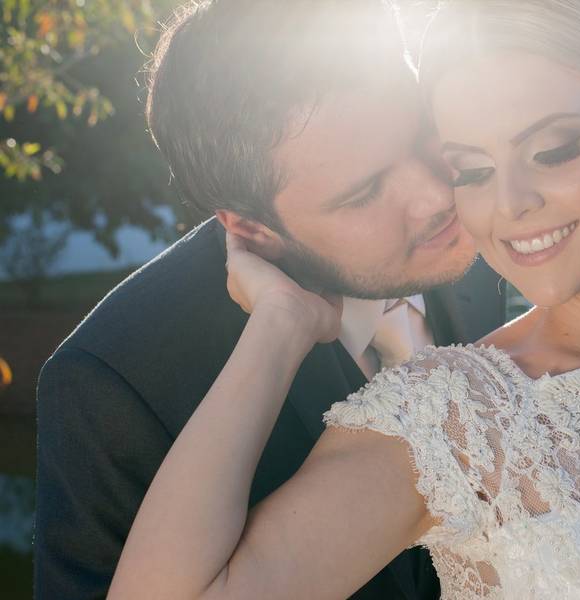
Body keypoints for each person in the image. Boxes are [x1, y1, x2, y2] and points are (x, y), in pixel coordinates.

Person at [109, 1, 580, 598]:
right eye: (470, 168)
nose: (512, 202)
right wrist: (279, 325)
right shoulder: (451, 418)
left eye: (553, 148)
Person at [33, 2, 507, 599]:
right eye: (364, 192)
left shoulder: (500, 220)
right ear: (252, 230)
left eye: (419, 135)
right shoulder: (114, 383)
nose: (438, 195)